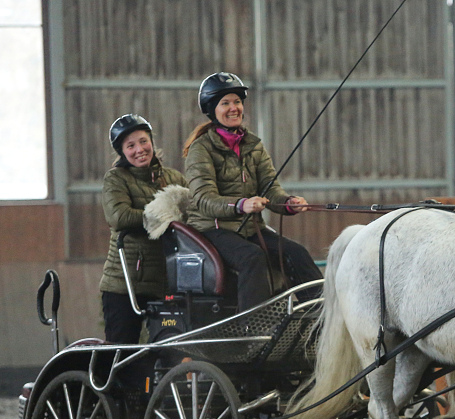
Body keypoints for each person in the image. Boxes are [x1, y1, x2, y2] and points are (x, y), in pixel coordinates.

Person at [182, 72, 322, 311]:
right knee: (251, 257)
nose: (233, 108)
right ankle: (253, 326)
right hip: (212, 229)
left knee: (296, 252)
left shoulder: (254, 145)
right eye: (225, 103)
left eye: (237, 101)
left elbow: (271, 189)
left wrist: (289, 203)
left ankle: (320, 316)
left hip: (247, 227)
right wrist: (240, 205)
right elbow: (204, 199)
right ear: (212, 109)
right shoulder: (201, 149)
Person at [100, 114, 188, 343]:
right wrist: (166, 217)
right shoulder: (116, 179)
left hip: (164, 282)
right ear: (122, 152)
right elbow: (119, 217)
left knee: (166, 349)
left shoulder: (174, 178)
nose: (139, 149)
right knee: (121, 350)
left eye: (143, 141)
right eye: (130, 146)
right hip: (124, 284)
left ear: (152, 141)